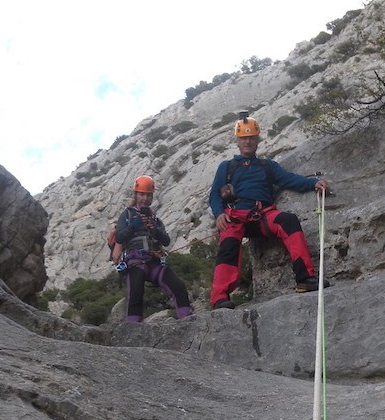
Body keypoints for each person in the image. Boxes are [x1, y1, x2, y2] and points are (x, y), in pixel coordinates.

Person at [208, 112, 331, 309]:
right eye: (244, 138)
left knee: (288, 221)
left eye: (251, 137)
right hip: (236, 217)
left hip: (262, 215)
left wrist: (313, 183)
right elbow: (214, 194)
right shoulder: (227, 167)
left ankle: (305, 278)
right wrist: (219, 214)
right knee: (229, 244)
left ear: (257, 140)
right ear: (237, 141)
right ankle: (219, 297)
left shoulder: (267, 166)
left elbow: (289, 179)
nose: (247, 141)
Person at [113, 175, 193, 322]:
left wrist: (154, 230)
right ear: (136, 195)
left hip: (155, 261)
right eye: (141, 194)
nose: (144, 198)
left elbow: (166, 241)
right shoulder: (127, 215)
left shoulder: (155, 219)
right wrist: (132, 227)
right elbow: (119, 238)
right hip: (135, 261)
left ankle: (187, 320)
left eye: (148, 195)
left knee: (178, 286)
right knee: (136, 293)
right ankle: (132, 329)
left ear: (152, 196)